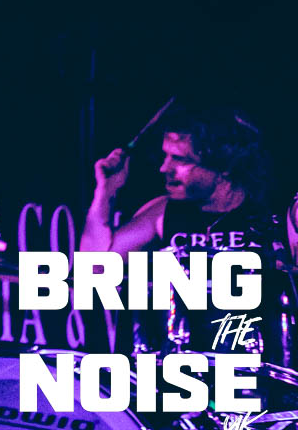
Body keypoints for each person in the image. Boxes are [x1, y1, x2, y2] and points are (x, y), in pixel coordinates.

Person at [83, 102, 295, 357]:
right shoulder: (163, 212)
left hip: (259, 370)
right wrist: (105, 191)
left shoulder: (275, 214)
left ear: (224, 165)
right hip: (180, 370)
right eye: (165, 156)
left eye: (180, 159)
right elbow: (91, 273)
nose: (164, 168)